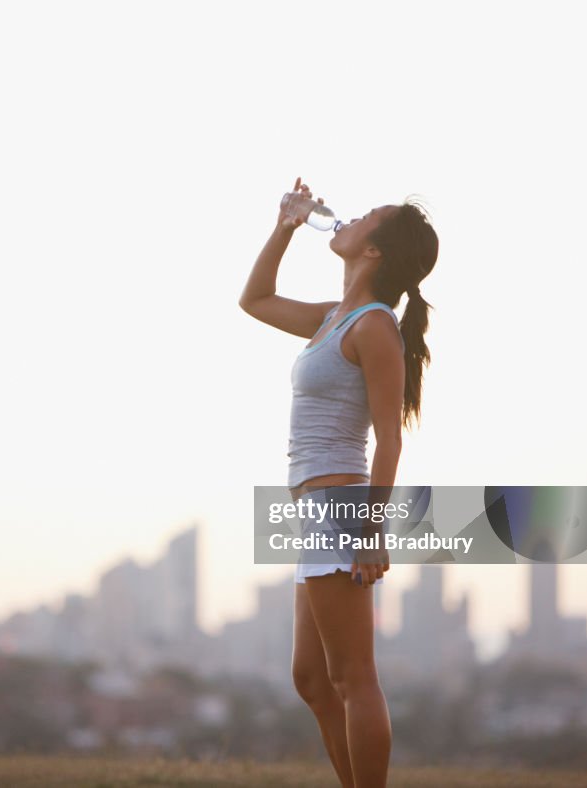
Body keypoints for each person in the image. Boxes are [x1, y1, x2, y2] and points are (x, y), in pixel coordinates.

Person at [239, 177, 438, 788]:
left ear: (373, 251)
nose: (348, 217)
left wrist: (372, 535)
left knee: (353, 677)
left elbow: (390, 440)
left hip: (341, 508)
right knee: (312, 680)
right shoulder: (334, 318)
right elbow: (256, 299)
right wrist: (285, 226)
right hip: (314, 510)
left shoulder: (374, 326)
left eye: (367, 216)